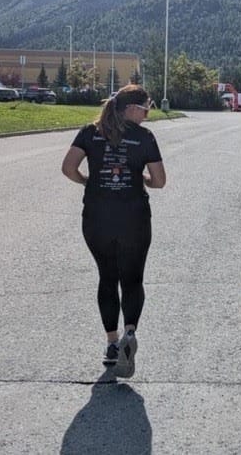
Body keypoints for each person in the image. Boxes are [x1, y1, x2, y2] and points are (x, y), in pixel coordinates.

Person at [61, 84, 166, 378]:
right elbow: (159, 181)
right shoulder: (144, 138)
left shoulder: (89, 132)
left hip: (97, 216)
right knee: (132, 279)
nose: (147, 115)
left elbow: (68, 167)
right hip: (134, 217)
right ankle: (129, 335)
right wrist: (141, 178)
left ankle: (110, 343)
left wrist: (88, 182)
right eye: (146, 109)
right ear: (132, 109)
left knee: (107, 277)